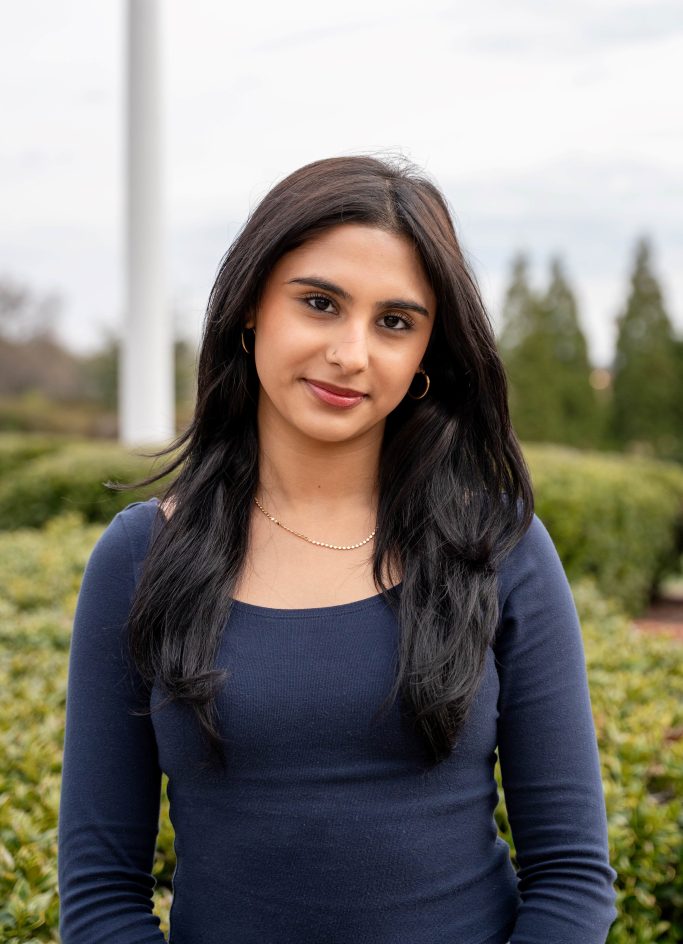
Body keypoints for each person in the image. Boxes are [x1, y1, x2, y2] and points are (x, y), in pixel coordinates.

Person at [57, 153, 618, 944]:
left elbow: (568, 876)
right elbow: (101, 896)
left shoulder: (498, 548)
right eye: (320, 303)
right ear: (251, 307)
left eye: (394, 321)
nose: (351, 353)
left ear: (427, 352)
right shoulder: (141, 558)